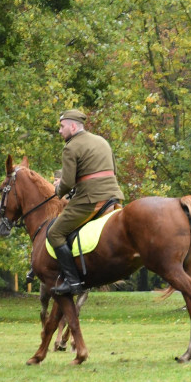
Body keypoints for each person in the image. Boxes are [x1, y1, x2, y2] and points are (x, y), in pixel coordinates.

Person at [47, 109, 124, 295]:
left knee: (55, 233)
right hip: (113, 197)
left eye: (62, 127)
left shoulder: (70, 147)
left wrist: (57, 190)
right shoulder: (102, 141)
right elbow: (112, 169)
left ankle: (73, 283)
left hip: (90, 200)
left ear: (73, 127)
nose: (60, 131)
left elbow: (66, 183)